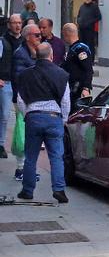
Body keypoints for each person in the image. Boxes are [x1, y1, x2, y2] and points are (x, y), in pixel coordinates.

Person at [15, 43, 70, 203]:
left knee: (30, 157)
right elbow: (66, 100)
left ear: (36, 56)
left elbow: (20, 99)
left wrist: (27, 114)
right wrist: (64, 119)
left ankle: (27, 190)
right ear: (51, 56)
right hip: (54, 117)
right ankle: (59, 190)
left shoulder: (26, 75)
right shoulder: (61, 74)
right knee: (56, 157)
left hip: (33, 117)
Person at [12, 23, 42, 180]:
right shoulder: (21, 53)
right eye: (36, 35)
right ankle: (21, 169)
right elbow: (19, 77)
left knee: (32, 135)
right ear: (28, 37)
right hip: (24, 99)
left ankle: (27, 169)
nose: (40, 37)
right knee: (23, 134)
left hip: (34, 98)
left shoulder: (35, 51)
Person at [0, 14, 23, 160]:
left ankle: (21, 144)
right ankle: (1, 144)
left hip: (20, 84)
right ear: (9, 25)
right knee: (4, 115)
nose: (17, 25)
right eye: (14, 23)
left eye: (19, 23)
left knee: (21, 116)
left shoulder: (24, 40)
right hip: (6, 82)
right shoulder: (3, 41)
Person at [61, 23, 94, 104]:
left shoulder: (80, 49)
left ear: (66, 34)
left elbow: (88, 69)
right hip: (71, 88)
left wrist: (86, 88)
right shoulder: (72, 49)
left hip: (78, 90)